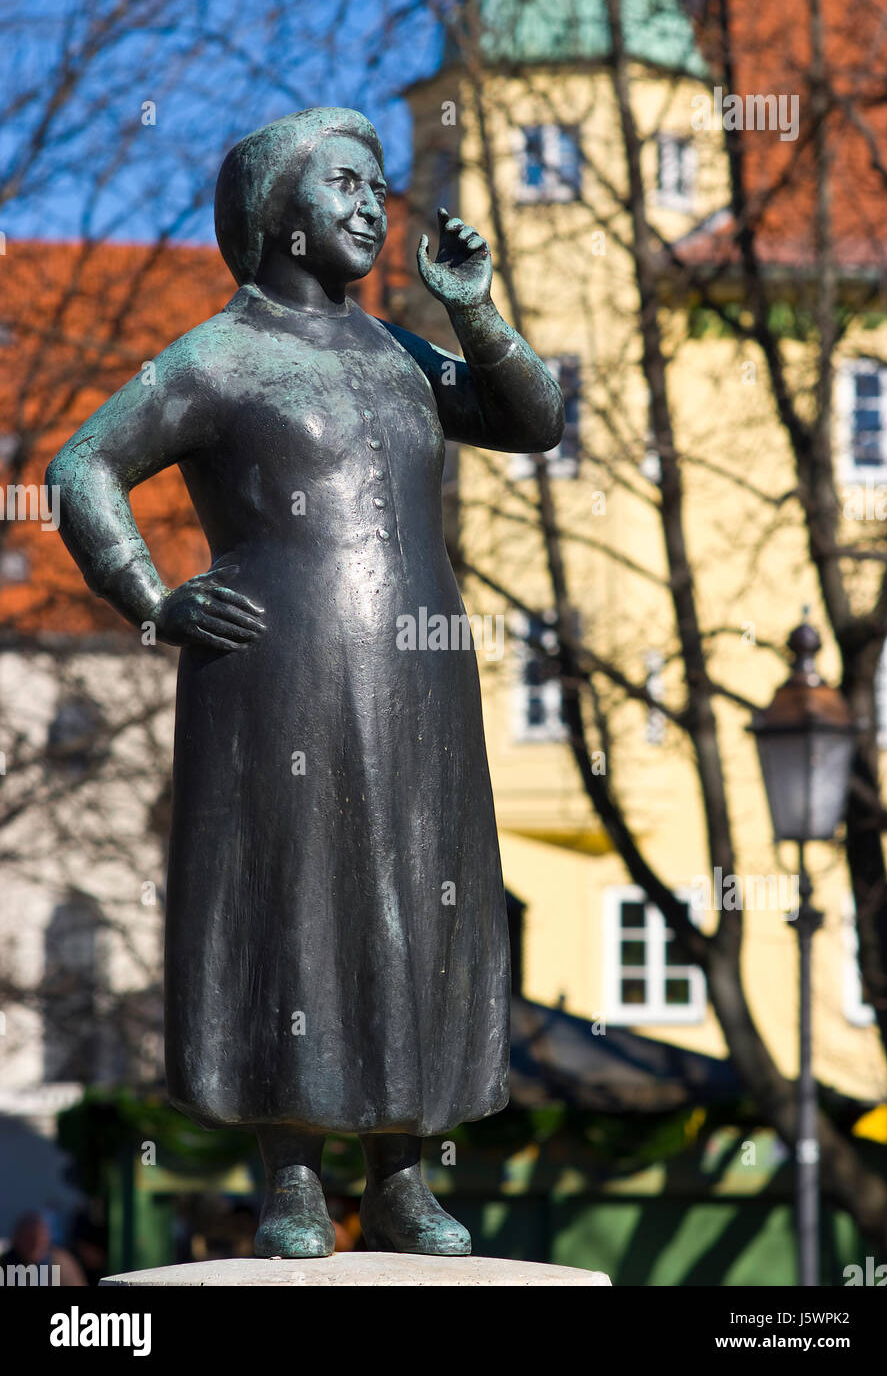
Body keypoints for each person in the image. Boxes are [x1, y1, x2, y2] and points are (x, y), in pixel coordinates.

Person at [46, 107, 564, 1258]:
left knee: (419, 889)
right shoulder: (219, 354)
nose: (372, 204)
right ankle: (289, 1169)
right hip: (274, 674)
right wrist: (151, 598)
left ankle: (399, 1174)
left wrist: (473, 311)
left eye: (378, 184)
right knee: (295, 892)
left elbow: (536, 422)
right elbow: (81, 465)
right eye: (344, 183)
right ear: (280, 212)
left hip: (416, 676)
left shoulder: (399, 353)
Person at [0, 1211, 87, 1285]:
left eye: (41, 1239)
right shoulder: (5, 1266)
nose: (35, 1245)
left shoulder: (62, 1263)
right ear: (17, 1238)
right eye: (29, 1238)